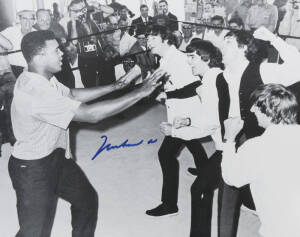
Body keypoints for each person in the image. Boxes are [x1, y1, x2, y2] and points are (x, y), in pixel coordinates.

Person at [8, 30, 165, 237]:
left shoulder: (42, 78)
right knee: (34, 232)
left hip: (56, 157)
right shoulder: (36, 92)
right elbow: (90, 115)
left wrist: (119, 85)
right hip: (33, 168)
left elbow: (72, 94)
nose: (62, 53)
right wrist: (139, 93)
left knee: (86, 201)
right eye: (56, 50)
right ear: (39, 57)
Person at [217, 26, 300, 237]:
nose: (220, 45)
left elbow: (298, 66)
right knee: (226, 188)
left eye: (228, 42)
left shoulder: (263, 69)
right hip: (235, 136)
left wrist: (274, 39)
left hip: (261, 139)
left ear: (243, 48)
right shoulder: (220, 76)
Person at [221, 83, 300, 237]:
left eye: (256, 107)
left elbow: (231, 177)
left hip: (281, 229)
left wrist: (229, 140)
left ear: (269, 112)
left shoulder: (255, 147)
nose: (251, 110)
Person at [145, 25, 207, 217]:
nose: (148, 43)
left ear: (165, 40)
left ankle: (169, 204)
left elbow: (196, 85)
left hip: (186, 115)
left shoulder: (180, 59)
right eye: (147, 39)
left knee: (165, 154)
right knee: (191, 142)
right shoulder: (164, 59)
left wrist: (166, 95)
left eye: (152, 39)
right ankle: (207, 172)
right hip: (179, 113)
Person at [175, 40, 224, 237]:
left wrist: (176, 132)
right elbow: (208, 115)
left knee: (200, 188)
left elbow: (209, 123)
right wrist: (187, 120)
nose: (189, 62)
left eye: (192, 57)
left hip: (231, 146)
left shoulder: (213, 82)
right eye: (187, 57)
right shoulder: (210, 79)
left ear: (207, 58)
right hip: (227, 143)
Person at [1, 10, 36, 78]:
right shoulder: (11, 31)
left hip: (32, 70)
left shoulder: (37, 34)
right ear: (19, 20)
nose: (27, 22)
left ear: (34, 21)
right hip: (12, 70)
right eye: (24, 18)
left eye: (31, 19)